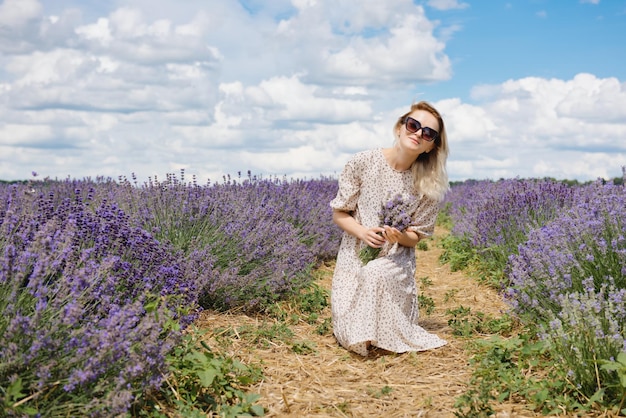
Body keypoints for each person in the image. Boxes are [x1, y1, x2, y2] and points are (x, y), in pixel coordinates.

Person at [329, 101, 449, 356]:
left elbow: (416, 237)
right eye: (413, 125)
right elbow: (340, 213)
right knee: (348, 332)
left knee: (375, 273)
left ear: (431, 146)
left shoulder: (428, 184)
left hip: (394, 260)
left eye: (428, 133)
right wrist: (362, 232)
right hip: (356, 253)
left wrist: (400, 236)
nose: (418, 133)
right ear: (399, 127)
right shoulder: (362, 161)